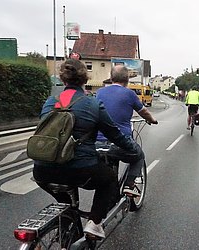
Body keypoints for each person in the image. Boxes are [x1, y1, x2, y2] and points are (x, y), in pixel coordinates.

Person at [33, 59, 139, 239]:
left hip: (42, 170)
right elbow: (115, 135)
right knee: (109, 180)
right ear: (85, 79)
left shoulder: (50, 101)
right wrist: (133, 150)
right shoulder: (92, 104)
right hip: (80, 169)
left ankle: (68, 224)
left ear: (63, 79)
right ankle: (95, 223)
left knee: (65, 201)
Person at [96, 65, 158, 197]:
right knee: (139, 155)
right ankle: (129, 185)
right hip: (119, 143)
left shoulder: (100, 92)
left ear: (111, 78)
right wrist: (152, 120)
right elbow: (144, 112)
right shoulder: (130, 94)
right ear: (127, 79)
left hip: (97, 143)